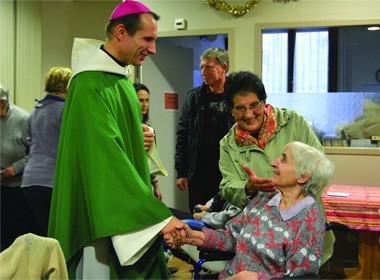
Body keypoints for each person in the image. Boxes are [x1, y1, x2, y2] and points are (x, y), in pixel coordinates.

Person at [47, 1, 186, 279]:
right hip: (100, 216)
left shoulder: (121, 79)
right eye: (147, 39)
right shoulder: (89, 85)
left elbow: (118, 140)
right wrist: (156, 214)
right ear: (121, 31)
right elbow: (104, 157)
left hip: (122, 201)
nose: (153, 49)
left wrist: (142, 137)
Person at [166, 141, 335, 279]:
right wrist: (195, 236)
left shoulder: (309, 221)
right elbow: (231, 237)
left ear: (303, 177)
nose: (274, 162)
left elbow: (300, 277)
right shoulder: (265, 198)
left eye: (283, 160)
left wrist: (254, 278)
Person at [219, 71, 335, 264]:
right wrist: (248, 188)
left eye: (254, 105)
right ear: (231, 110)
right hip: (262, 236)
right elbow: (227, 187)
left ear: (264, 101)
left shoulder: (293, 123)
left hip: (303, 229)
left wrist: (294, 202)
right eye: (240, 108)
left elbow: (319, 167)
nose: (248, 115)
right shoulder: (228, 144)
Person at [175, 47, 235, 212]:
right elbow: (183, 133)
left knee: (226, 219)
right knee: (198, 217)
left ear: (224, 68)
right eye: (202, 67)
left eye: (209, 67)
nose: (203, 72)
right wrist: (181, 172)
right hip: (199, 174)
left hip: (228, 173)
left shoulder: (237, 96)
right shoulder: (194, 97)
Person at [20, 67, 72, 237]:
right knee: (59, 234)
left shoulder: (36, 110)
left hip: (30, 181)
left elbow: (30, 143)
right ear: (66, 87)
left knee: (43, 231)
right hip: (52, 181)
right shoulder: (65, 110)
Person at [0, 83, 37, 250]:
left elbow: (36, 151)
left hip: (18, 189)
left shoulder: (24, 119)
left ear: (2, 103)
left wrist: (16, 167)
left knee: (15, 235)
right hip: (0, 187)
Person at [133, 82, 163, 201]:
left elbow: (149, 160)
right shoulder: (127, 127)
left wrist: (155, 184)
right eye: (141, 100)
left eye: (147, 100)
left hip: (145, 180)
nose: (145, 104)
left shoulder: (148, 127)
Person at [169, 192, 242, 229]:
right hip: (210, 219)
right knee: (167, 213)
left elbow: (228, 219)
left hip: (217, 229)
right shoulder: (234, 183)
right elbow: (219, 196)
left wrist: (203, 216)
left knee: (167, 219)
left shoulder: (246, 193)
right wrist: (207, 207)